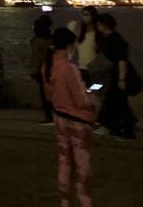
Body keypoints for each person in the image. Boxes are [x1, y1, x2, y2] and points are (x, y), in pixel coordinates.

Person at [43, 27, 95, 207]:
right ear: (69, 46)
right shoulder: (69, 68)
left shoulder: (47, 66)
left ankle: (64, 201)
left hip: (59, 118)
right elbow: (81, 100)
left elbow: (49, 95)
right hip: (77, 122)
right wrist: (92, 97)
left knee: (64, 161)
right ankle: (84, 202)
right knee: (82, 167)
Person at [95, 13, 137, 139]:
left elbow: (122, 61)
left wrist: (121, 79)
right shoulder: (108, 39)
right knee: (113, 102)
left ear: (104, 25)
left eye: (99, 24)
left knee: (120, 103)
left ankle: (127, 131)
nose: (97, 26)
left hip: (115, 76)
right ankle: (114, 127)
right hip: (109, 76)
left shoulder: (115, 40)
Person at [30, 14, 55, 125]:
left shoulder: (37, 41)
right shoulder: (52, 39)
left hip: (42, 70)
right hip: (53, 68)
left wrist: (34, 72)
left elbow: (37, 58)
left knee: (44, 94)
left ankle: (49, 116)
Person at [70, 7, 99, 83]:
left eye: (87, 15)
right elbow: (76, 49)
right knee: (83, 88)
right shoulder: (80, 31)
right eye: (82, 14)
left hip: (94, 68)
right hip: (81, 67)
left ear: (93, 16)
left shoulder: (98, 32)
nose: (84, 17)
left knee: (94, 88)